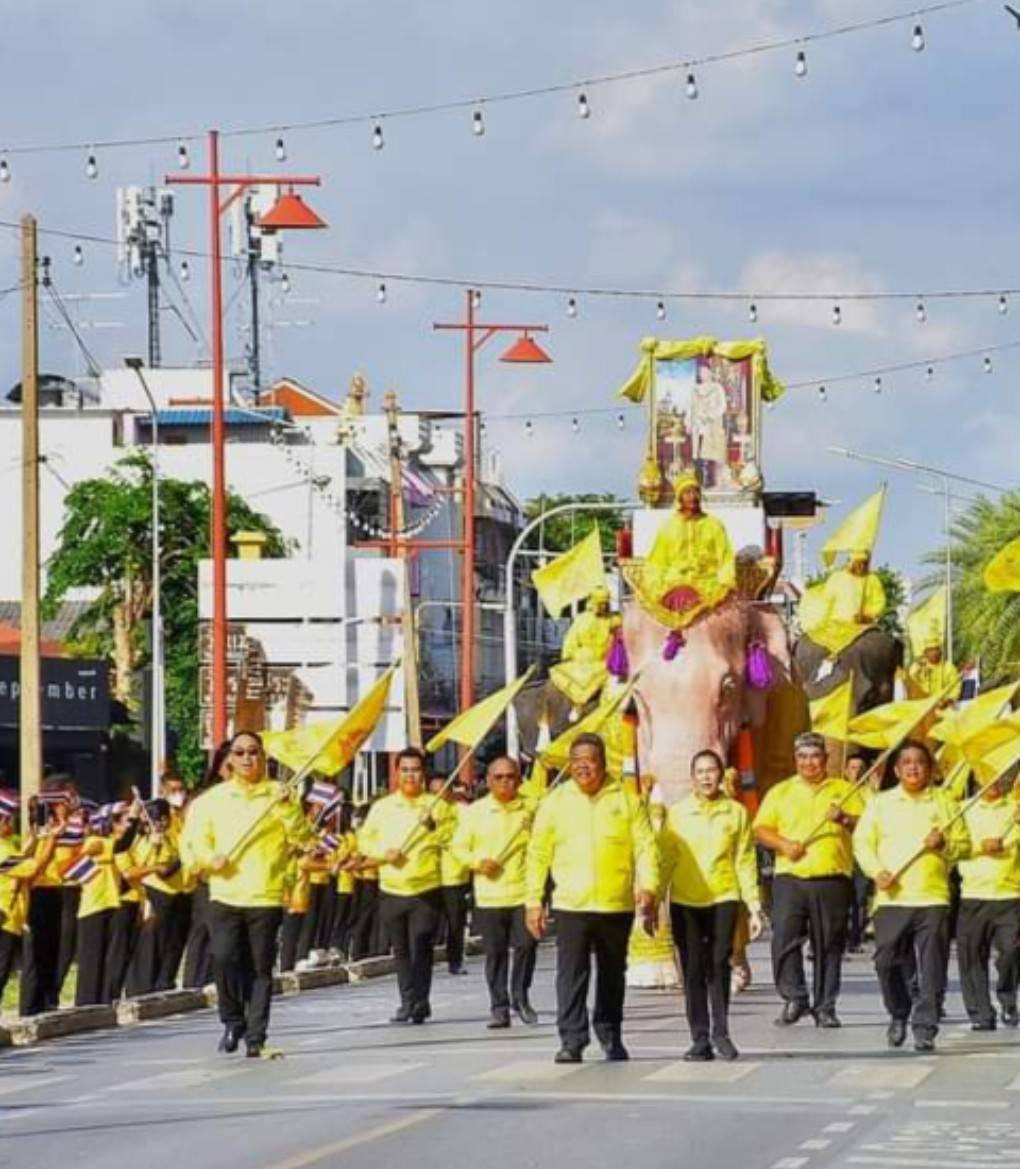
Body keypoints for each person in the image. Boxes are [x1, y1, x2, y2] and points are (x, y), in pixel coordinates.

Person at [526, 733, 659, 1063]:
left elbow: (645, 848)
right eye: (577, 761)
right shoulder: (555, 802)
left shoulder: (626, 800)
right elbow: (538, 854)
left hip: (616, 903)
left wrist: (649, 887)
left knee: (613, 973)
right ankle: (572, 1039)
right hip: (571, 903)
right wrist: (532, 901)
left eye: (590, 760)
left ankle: (610, 1033)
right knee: (571, 974)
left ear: (603, 762)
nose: (583, 766)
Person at [181, 731, 312, 1058]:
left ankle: (256, 1035)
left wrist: (287, 808)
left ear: (262, 756)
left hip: (265, 894)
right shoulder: (212, 800)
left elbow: (303, 838)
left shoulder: (279, 796)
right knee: (224, 957)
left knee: (260, 968)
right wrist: (209, 859)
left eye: (253, 752)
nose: (247, 758)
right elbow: (194, 840)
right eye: (239, 753)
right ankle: (232, 1018)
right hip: (225, 893)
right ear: (230, 759)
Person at [854, 740, 969, 1052]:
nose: (913, 768)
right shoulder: (881, 803)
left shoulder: (944, 802)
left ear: (929, 768)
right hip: (891, 898)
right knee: (886, 962)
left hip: (933, 897)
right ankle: (899, 1012)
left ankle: (925, 1026)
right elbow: (862, 842)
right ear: (896, 769)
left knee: (932, 966)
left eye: (920, 762)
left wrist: (944, 844)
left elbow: (964, 844)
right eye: (907, 763)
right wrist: (876, 871)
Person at [753, 732, 863, 1028]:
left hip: (832, 877)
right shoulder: (781, 791)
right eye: (802, 757)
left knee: (828, 945)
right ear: (795, 760)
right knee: (785, 939)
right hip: (790, 876)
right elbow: (761, 829)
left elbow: (868, 827)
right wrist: (784, 844)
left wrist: (844, 819)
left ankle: (825, 1006)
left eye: (815, 756)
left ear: (826, 760)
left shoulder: (846, 790)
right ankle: (794, 996)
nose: (808, 763)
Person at [664, 750, 763, 1061]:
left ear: (721, 774)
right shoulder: (676, 814)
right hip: (686, 900)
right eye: (700, 771)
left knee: (719, 964)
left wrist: (754, 905)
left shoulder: (736, 812)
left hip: (723, 896)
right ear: (692, 778)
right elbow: (665, 858)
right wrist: (651, 897)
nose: (706, 776)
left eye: (712, 770)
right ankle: (699, 1037)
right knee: (693, 969)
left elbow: (745, 860)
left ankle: (721, 1032)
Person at [358, 748, 443, 1024]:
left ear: (423, 773)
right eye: (405, 770)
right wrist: (385, 852)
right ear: (397, 773)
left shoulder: (437, 804)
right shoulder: (382, 808)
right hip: (392, 887)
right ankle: (408, 1000)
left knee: (421, 946)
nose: (410, 775)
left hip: (425, 888)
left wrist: (432, 826)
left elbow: (454, 837)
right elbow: (365, 841)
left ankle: (421, 999)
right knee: (401, 950)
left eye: (415, 770)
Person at [453, 756, 537, 1028]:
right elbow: (458, 848)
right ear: (488, 781)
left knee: (526, 945)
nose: (504, 782)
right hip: (489, 895)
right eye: (498, 777)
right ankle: (498, 1006)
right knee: (495, 953)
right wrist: (478, 863)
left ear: (519, 779)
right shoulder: (475, 812)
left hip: (524, 893)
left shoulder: (532, 810)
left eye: (510, 776)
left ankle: (520, 995)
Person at [955, 775, 1020, 1030]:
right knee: (971, 956)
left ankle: (1008, 996)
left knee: (1011, 952)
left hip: (1010, 894)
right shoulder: (962, 809)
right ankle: (980, 1012)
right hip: (973, 893)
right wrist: (982, 846)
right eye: (984, 774)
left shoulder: (1014, 808)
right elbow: (951, 845)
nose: (992, 780)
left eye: (997, 774)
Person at [638, 471, 735, 619]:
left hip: (708, 588)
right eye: (688, 492)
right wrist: (656, 588)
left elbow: (726, 559)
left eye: (696, 492)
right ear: (679, 497)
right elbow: (656, 563)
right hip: (674, 586)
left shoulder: (714, 525)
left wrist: (724, 586)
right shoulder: (668, 527)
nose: (693, 496)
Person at [0, 791, 56, 1003]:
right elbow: (34, 867)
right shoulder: (2, 851)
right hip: (4, 917)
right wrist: (51, 838)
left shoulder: (6, 848)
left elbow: (20, 859)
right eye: (10, 819)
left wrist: (34, 839)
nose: (12, 823)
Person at [549, 585, 620, 711]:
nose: (603, 606)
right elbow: (571, 639)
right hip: (583, 663)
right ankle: (577, 707)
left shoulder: (614, 619)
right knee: (578, 685)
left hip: (606, 662)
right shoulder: (582, 619)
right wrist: (567, 656)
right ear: (593, 602)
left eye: (605, 603)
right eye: (600, 603)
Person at [433, 779, 471, 976]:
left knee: (455, 921)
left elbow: (466, 836)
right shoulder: (427, 808)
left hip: (455, 875)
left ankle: (454, 960)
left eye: (443, 790)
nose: (439, 795)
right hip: (429, 874)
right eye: (435, 791)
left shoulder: (461, 810)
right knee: (427, 921)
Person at [908, 640, 962, 707]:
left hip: (944, 707)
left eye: (936, 649)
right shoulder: (918, 667)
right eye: (930, 650)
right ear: (925, 653)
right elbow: (911, 684)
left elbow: (956, 687)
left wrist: (949, 699)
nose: (934, 653)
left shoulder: (949, 667)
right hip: (923, 707)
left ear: (941, 651)